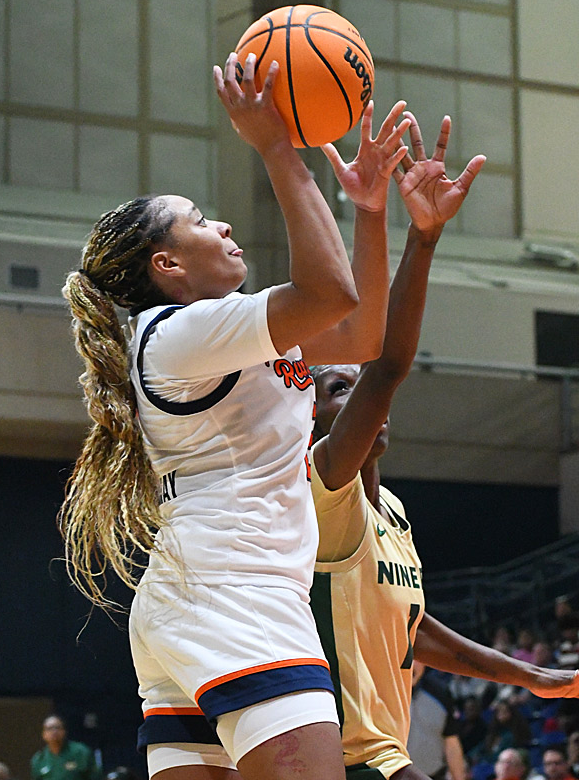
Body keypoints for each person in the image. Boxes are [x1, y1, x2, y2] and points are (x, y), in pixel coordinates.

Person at [59, 51, 412, 780]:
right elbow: (330, 294)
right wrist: (277, 148)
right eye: (195, 221)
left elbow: (358, 335)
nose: (219, 224)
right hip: (235, 592)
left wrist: (372, 210)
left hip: (203, 595)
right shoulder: (178, 332)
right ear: (168, 266)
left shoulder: (216, 332)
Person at [306, 111, 579, 780]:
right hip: (339, 759)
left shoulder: (391, 510)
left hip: (384, 753)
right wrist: (422, 240)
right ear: (311, 421)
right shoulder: (318, 490)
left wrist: (531, 675)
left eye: (355, 388)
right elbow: (389, 365)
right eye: (339, 389)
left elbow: (412, 628)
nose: (365, 398)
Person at [407, 662, 465, 780]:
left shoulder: (441, 693)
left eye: (417, 658)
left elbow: (452, 743)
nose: (411, 664)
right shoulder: (378, 691)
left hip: (432, 775)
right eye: (407, 657)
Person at [30, 716, 101, 780]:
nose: (54, 731)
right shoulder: (39, 759)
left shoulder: (81, 752)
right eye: (49, 729)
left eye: (57, 728)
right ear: (44, 735)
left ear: (64, 732)